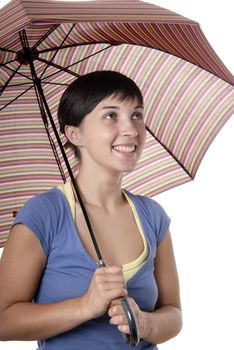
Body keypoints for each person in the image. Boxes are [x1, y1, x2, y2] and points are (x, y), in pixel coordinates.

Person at [0, 70, 182, 349]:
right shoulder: (44, 215)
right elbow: (3, 320)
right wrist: (85, 306)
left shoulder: (152, 216)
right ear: (74, 134)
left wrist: (144, 323)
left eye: (137, 114)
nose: (132, 129)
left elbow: (173, 313)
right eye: (111, 116)